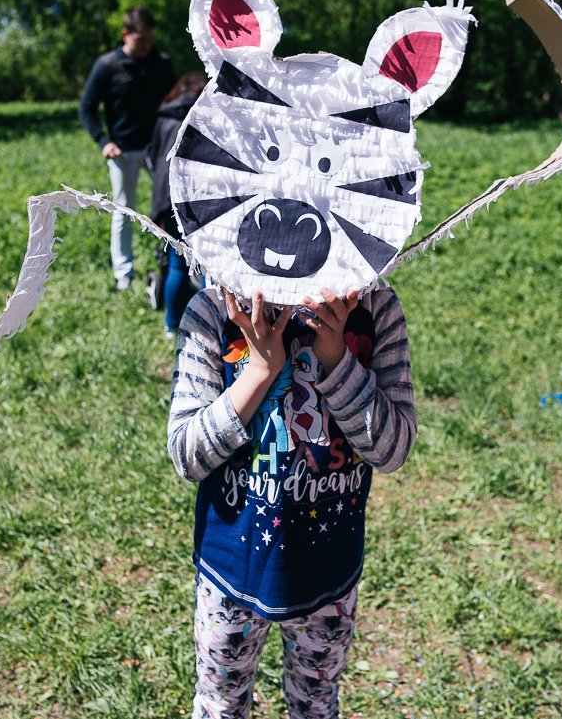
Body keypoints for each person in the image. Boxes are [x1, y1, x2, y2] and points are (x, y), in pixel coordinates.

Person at [167, 286, 416, 718]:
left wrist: (338, 357)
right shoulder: (214, 309)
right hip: (230, 574)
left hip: (328, 574)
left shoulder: (376, 308)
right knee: (219, 704)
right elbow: (187, 456)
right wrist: (260, 369)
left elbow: (392, 450)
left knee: (315, 705)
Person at [79, 7, 177, 290]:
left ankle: (174, 264)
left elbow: (174, 102)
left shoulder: (161, 63)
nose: (147, 46)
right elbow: (86, 109)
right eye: (141, 41)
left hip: (157, 149)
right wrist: (103, 141)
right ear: (126, 34)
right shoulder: (107, 65)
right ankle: (124, 273)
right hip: (121, 151)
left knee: (170, 207)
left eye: (150, 40)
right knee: (124, 211)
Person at [145, 71, 207, 335]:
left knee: (177, 263)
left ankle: (172, 324)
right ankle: (211, 326)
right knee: (207, 263)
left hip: (167, 198)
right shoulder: (206, 114)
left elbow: (151, 156)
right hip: (200, 198)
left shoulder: (163, 117)